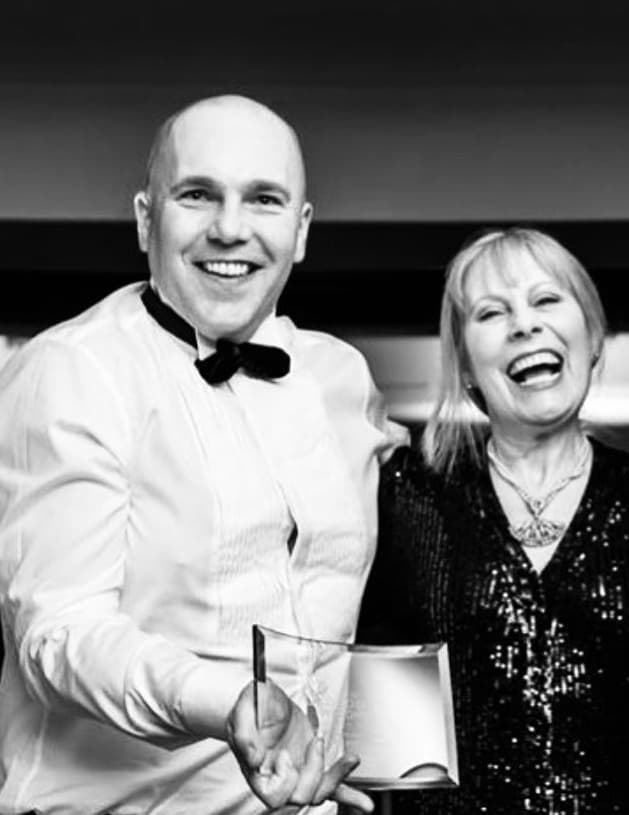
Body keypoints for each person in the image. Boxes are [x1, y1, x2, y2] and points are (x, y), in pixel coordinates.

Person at [0, 94, 383, 814]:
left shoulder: (341, 378)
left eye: (263, 199)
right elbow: (60, 635)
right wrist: (225, 699)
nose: (230, 228)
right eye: (198, 194)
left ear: (300, 230)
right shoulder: (72, 368)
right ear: (147, 217)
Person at [356, 228, 629, 814]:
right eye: (491, 312)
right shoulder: (407, 496)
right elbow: (384, 727)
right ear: (466, 366)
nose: (524, 324)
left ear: (593, 336)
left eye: (548, 300)